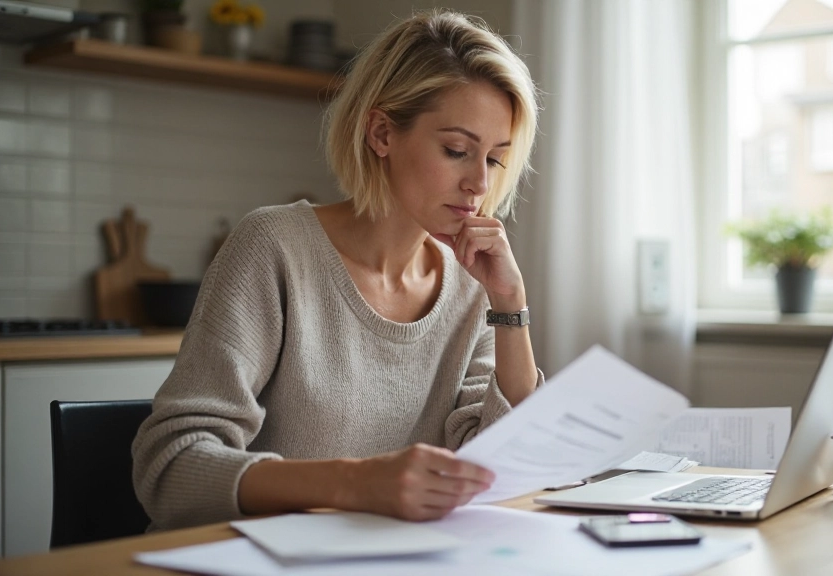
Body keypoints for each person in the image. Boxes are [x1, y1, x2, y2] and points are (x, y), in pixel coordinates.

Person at [131, 9, 541, 530]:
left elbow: (504, 468)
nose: (479, 185)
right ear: (381, 133)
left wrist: (511, 305)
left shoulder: (469, 283)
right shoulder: (275, 248)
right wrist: (355, 485)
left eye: (494, 159)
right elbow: (171, 466)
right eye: (457, 150)